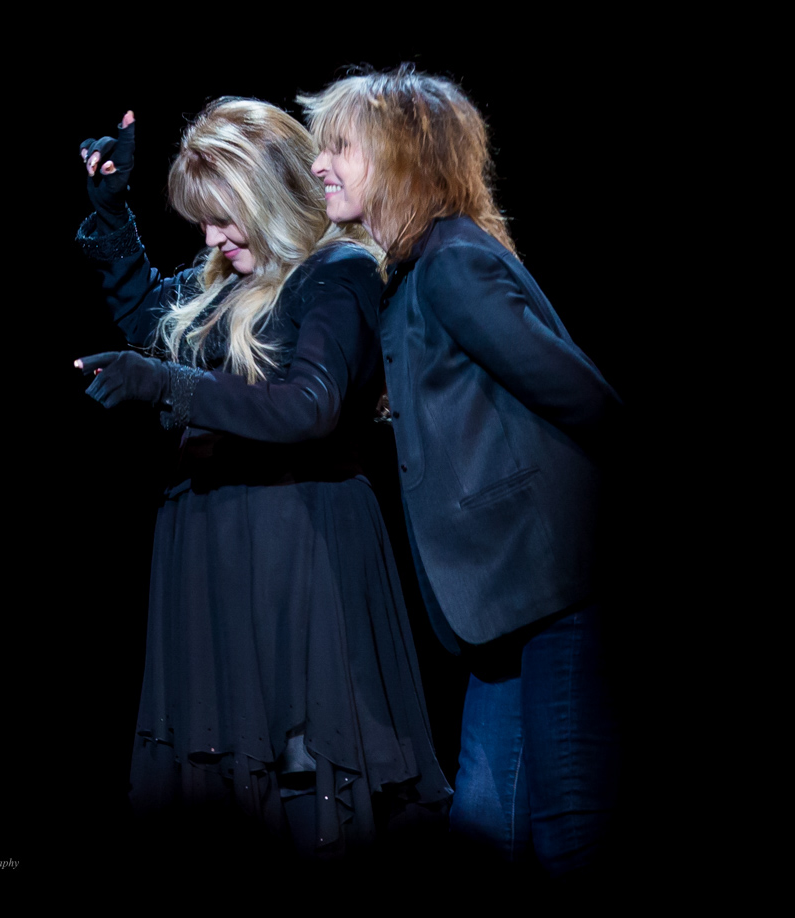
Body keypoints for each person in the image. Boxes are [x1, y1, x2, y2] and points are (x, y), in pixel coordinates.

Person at [73, 99, 450, 857]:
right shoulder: (224, 277)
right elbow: (158, 325)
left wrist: (168, 388)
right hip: (210, 541)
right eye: (201, 221)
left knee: (303, 776)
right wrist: (113, 221)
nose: (211, 238)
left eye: (223, 218)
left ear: (270, 194)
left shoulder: (336, 273)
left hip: (295, 543)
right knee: (224, 796)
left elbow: (309, 406)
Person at [301, 67, 623, 875]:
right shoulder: (413, 270)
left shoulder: (451, 263)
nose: (319, 166)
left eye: (340, 147)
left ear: (401, 157)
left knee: (568, 816)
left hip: (553, 585)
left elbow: (587, 401)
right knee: (485, 819)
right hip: (501, 598)